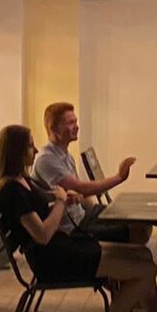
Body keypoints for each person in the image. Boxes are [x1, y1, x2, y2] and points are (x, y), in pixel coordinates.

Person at [0, 124, 157, 312]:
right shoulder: (11, 190)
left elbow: (44, 204)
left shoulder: (22, 180)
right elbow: (42, 235)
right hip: (53, 259)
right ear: (16, 152)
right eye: (30, 146)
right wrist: (61, 203)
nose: (35, 150)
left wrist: (64, 198)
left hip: (63, 246)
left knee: (143, 255)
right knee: (146, 271)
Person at [32, 102, 149, 244]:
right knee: (137, 231)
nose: (76, 126)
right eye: (70, 123)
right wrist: (119, 177)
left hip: (83, 215)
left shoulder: (66, 156)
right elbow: (80, 188)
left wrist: (94, 209)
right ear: (53, 129)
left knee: (138, 219)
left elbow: (80, 194)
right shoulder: (46, 160)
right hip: (72, 227)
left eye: (75, 122)